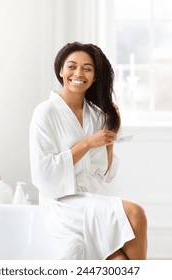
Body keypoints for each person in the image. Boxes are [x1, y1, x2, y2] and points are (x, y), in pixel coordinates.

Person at [29, 42, 147, 260]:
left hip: (93, 196)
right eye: (72, 66)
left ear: (94, 77)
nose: (78, 73)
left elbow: (104, 174)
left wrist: (111, 134)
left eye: (87, 68)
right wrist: (87, 144)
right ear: (61, 70)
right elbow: (43, 173)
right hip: (62, 202)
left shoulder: (96, 114)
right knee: (136, 213)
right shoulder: (45, 112)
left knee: (120, 261)